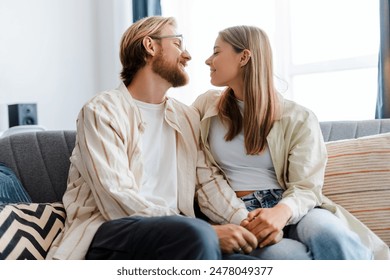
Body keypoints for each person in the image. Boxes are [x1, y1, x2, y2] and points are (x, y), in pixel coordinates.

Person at [46, 16, 259, 260]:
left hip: (182, 236)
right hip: (109, 233)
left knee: (250, 262)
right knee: (196, 234)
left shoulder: (186, 117)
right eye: (178, 43)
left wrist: (246, 223)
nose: (188, 55)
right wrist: (207, 232)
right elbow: (117, 198)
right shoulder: (101, 111)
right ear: (150, 46)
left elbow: (207, 183)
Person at [193, 25, 390, 260]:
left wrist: (281, 213)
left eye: (216, 52)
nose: (208, 60)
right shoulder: (206, 107)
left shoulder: (299, 117)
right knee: (289, 257)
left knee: (331, 235)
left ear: (244, 57)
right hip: (237, 210)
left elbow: (306, 186)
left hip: (291, 205)